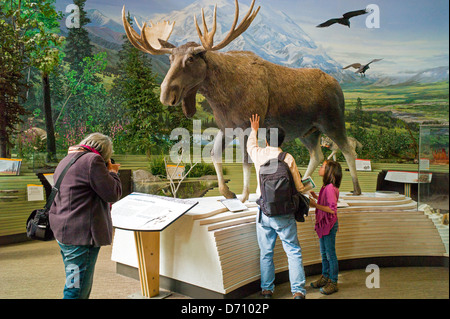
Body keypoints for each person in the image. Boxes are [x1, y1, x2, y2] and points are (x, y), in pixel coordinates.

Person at [49, 132, 122, 299]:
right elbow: (112, 194)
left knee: (74, 281)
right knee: (76, 288)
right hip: (79, 237)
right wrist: (112, 172)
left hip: (64, 231)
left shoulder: (67, 159)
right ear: (104, 153)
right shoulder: (92, 161)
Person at [247, 114, 307, 299]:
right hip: (285, 214)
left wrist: (254, 129)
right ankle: (297, 291)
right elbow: (298, 187)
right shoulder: (287, 158)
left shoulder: (259, 154)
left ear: (266, 140)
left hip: (264, 211)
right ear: (282, 141)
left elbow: (251, 145)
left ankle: (267, 290)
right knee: (293, 250)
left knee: (266, 252)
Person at [308, 160, 342, 295]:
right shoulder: (326, 187)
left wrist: (315, 205)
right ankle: (325, 277)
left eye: (322, 166)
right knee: (324, 254)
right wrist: (316, 197)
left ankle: (333, 282)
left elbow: (332, 209)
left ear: (329, 171)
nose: (320, 168)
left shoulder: (329, 188)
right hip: (324, 225)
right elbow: (326, 202)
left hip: (329, 225)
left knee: (330, 254)